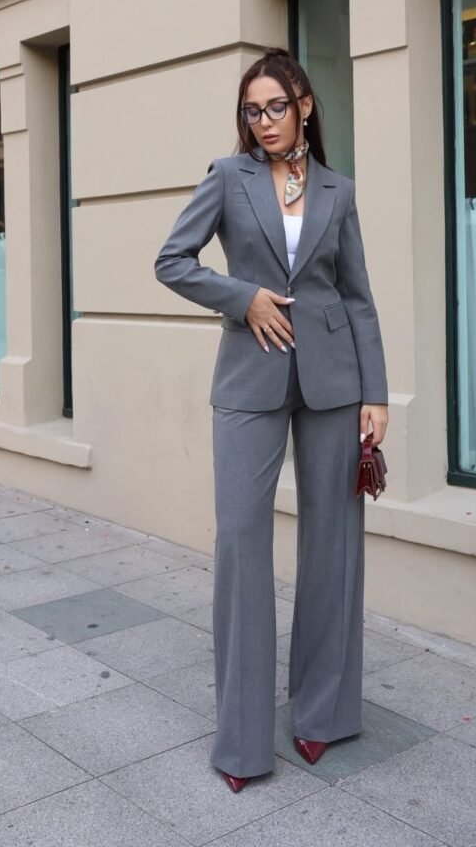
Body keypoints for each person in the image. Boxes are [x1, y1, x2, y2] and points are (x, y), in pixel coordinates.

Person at [154, 47, 388, 792]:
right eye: (252, 111)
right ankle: (243, 742)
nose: (264, 123)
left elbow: (357, 296)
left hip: (333, 383)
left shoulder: (338, 191)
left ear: (306, 106)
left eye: (276, 108)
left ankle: (323, 714)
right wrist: (242, 298)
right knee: (242, 545)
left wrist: (375, 395)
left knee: (332, 548)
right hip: (249, 381)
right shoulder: (229, 178)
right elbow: (173, 260)